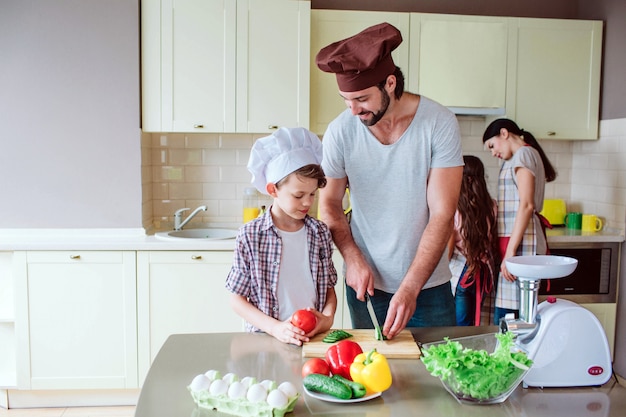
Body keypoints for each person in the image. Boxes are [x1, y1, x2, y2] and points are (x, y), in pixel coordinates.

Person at [315, 22, 463, 339]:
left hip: (429, 286)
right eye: (346, 100)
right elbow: (328, 203)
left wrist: (410, 287)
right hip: (366, 286)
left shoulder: (438, 123)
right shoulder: (340, 131)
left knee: (435, 378)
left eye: (362, 99)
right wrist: (352, 259)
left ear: (390, 83)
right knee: (374, 377)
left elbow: (443, 213)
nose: (353, 110)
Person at [226, 127, 338, 346]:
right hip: (264, 340)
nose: (308, 202)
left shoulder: (319, 233)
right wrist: (276, 328)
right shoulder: (250, 235)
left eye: (313, 194)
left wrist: (327, 319)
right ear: (273, 190)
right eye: (298, 195)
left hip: (312, 339)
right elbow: (236, 299)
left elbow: (329, 289)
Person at [482, 118, 556, 325]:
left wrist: (510, 253)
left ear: (504, 133)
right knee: (512, 315)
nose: (493, 152)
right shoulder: (521, 156)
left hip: (522, 244)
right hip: (518, 240)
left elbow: (526, 205)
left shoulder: (523, 155)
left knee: (511, 319)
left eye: (492, 145)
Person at [447, 155, 499, 326]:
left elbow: (447, 251)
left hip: (462, 273)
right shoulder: (492, 206)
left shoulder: (453, 208)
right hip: (483, 273)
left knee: (460, 327)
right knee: (475, 324)